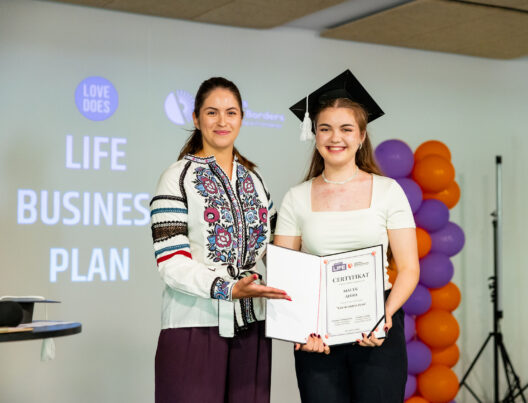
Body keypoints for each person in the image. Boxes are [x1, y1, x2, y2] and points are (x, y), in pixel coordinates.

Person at [274, 70, 420, 403]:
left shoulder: (388, 191)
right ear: (314, 134)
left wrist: (384, 317)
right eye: (325, 128)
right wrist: (299, 327)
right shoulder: (296, 198)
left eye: (346, 128)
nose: (335, 137)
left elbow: (410, 269)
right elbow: (286, 275)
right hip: (317, 334)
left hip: (378, 328)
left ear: (361, 135)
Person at [150, 77, 288, 403]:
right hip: (194, 326)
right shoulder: (176, 178)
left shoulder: (255, 179)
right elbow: (171, 263)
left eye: (231, 112)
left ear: (242, 118)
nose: (222, 121)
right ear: (196, 119)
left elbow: (276, 250)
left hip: (253, 325)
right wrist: (228, 288)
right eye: (212, 112)